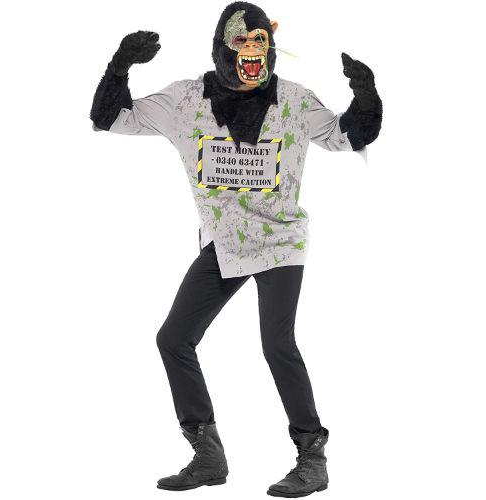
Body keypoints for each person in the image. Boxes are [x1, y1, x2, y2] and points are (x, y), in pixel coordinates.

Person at [90, 2, 382, 496]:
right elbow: (108, 118)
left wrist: (366, 94)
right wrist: (119, 68)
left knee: (277, 345)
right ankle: (208, 456)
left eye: (259, 41)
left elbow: (348, 134)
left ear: (271, 45)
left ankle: (312, 458)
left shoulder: (293, 100)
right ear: (223, 49)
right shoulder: (186, 100)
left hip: (280, 240)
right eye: (241, 41)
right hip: (224, 243)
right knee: (173, 339)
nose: (251, 50)